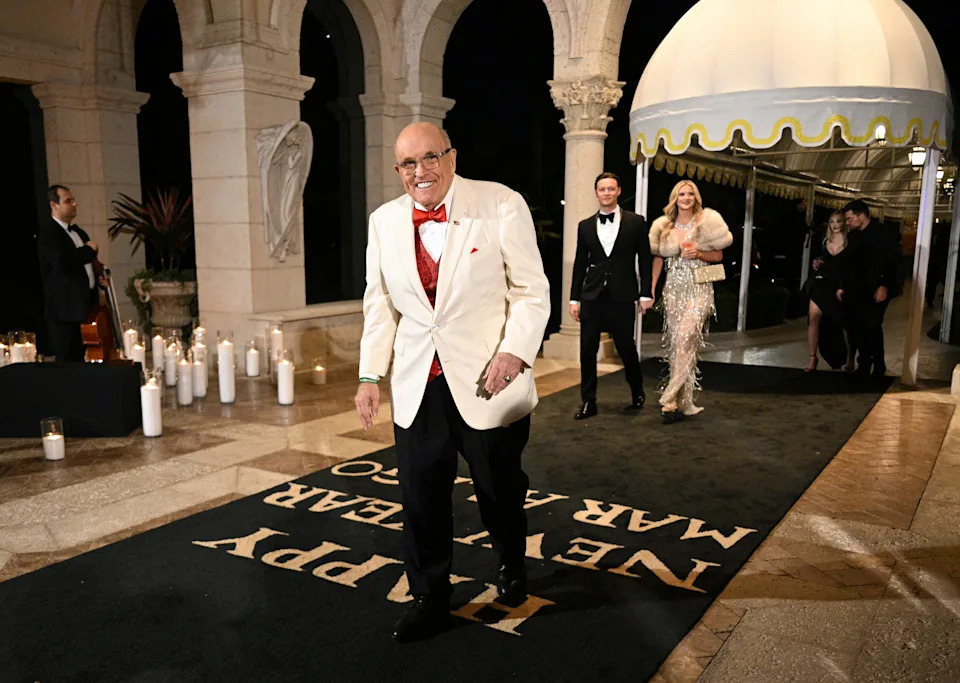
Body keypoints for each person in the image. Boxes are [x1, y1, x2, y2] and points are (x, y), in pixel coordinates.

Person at [354, 122, 550, 642]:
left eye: (431, 158)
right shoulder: (383, 222)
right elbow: (380, 307)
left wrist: (514, 351)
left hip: (489, 377)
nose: (422, 171)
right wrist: (371, 374)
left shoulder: (500, 204)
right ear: (398, 171)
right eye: (409, 164)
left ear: (452, 156)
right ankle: (429, 596)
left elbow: (532, 290)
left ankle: (511, 562)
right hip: (419, 384)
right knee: (420, 498)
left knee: (499, 492)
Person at [569, 172, 653, 420]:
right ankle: (588, 401)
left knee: (626, 347)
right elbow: (579, 264)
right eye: (602, 189)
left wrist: (646, 292)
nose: (606, 193)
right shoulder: (584, 226)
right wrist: (574, 299)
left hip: (623, 295)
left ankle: (637, 391)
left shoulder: (636, 222)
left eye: (610, 189)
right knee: (587, 350)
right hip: (592, 296)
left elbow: (645, 260)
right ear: (596, 193)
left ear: (618, 191)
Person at [648, 180, 732, 424]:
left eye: (690, 193)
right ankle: (684, 403)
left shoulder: (709, 221)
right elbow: (658, 260)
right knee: (679, 345)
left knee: (686, 337)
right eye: (681, 193)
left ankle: (670, 395)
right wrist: (652, 289)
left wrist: (699, 254)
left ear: (696, 197)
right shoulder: (663, 226)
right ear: (675, 197)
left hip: (700, 288)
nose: (686, 197)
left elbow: (719, 255)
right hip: (674, 289)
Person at [36, 185, 100, 362]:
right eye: (68, 200)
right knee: (67, 362)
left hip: (85, 309)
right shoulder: (49, 233)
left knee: (82, 360)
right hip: (65, 313)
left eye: (73, 199)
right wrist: (89, 251)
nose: (74, 203)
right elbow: (62, 262)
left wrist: (100, 276)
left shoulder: (79, 232)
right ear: (53, 205)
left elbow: (88, 265)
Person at [839, 199, 901, 378]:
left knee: (872, 325)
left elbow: (892, 261)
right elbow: (848, 263)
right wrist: (843, 286)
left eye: (850, 219)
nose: (848, 223)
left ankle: (879, 365)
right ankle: (864, 364)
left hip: (877, 287)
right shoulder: (854, 236)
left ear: (862, 215)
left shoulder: (884, 233)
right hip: (857, 289)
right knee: (858, 326)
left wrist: (884, 285)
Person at [804, 212, 853, 372]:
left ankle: (849, 358)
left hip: (839, 286)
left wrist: (842, 285)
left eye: (838, 221)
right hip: (821, 283)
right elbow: (818, 259)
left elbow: (849, 268)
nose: (835, 224)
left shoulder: (850, 242)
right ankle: (812, 357)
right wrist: (817, 263)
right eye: (832, 221)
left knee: (844, 323)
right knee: (813, 318)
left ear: (844, 223)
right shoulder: (824, 241)